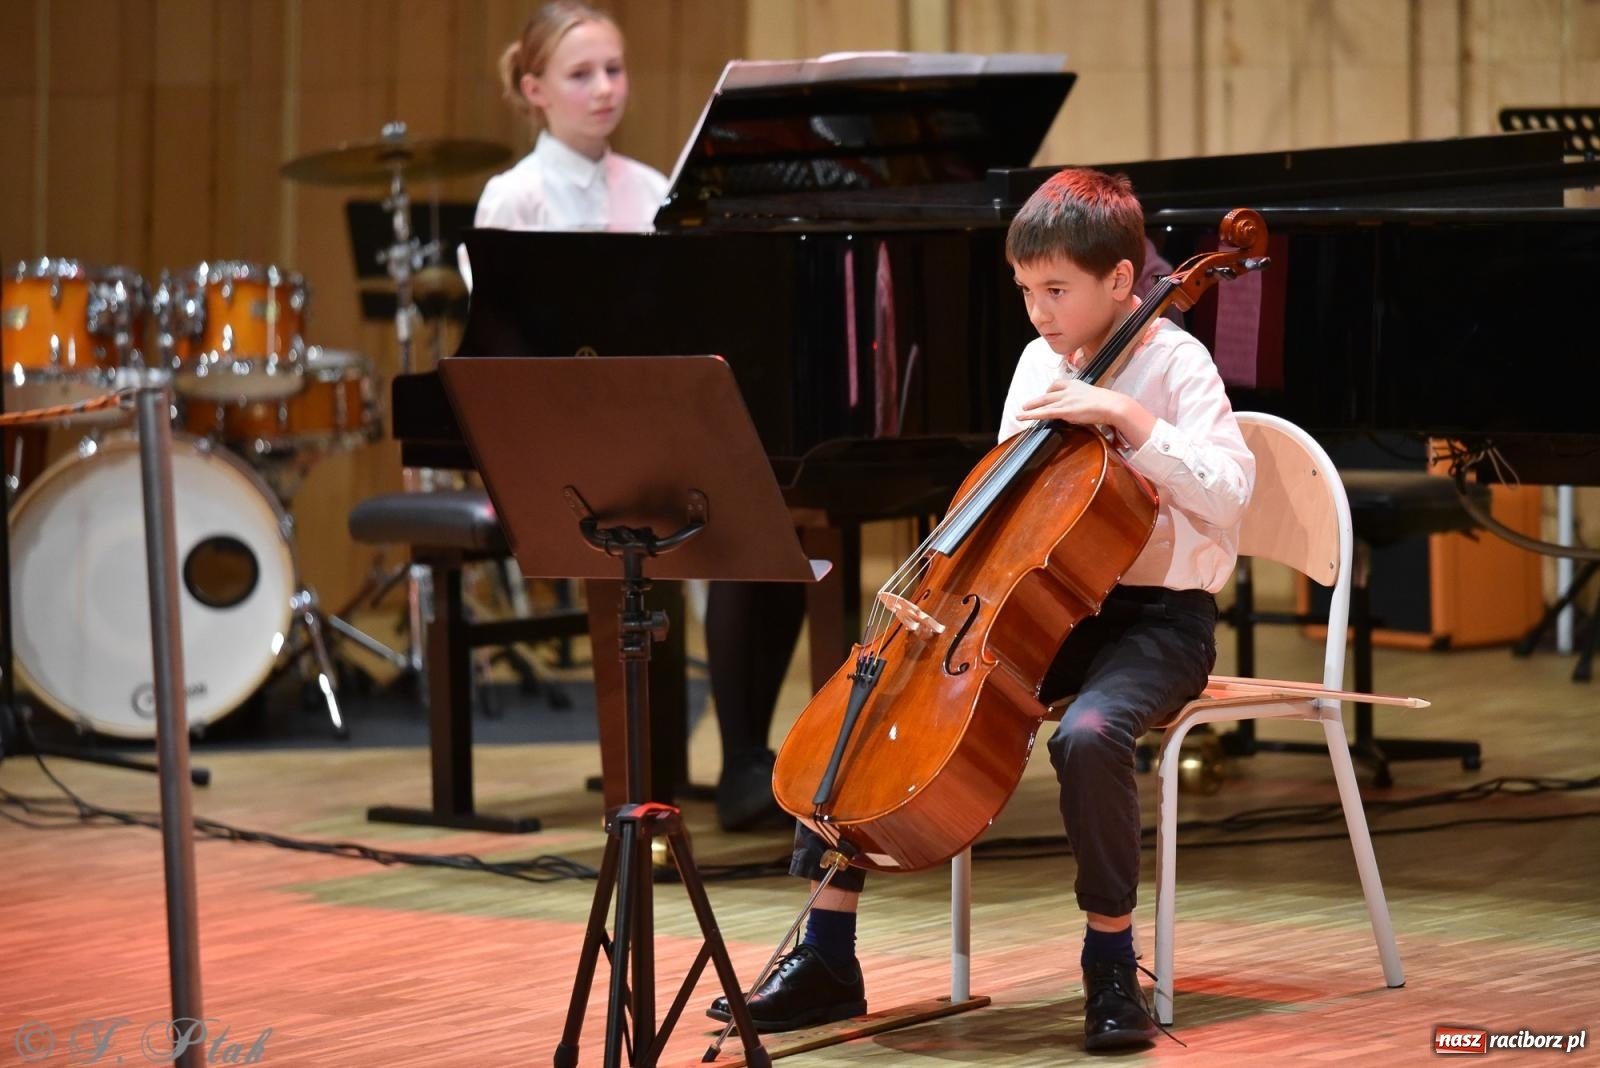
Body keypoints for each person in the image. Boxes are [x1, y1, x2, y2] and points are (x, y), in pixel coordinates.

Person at [706, 167, 1255, 1051]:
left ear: (1121, 279)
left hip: (1159, 621)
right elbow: (1015, 507)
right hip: (1045, 607)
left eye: (1056, 291)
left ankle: (1111, 964)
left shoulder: (1176, 363)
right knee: (868, 696)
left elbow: (1230, 492)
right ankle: (826, 956)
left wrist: (1126, 416)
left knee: (1089, 737)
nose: (1038, 313)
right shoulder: (1039, 362)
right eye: (1025, 291)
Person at [458, 0, 668, 289]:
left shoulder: (653, 189)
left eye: (613, 69)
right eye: (580, 74)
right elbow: (494, 307)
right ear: (535, 90)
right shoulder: (514, 196)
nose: (605, 89)